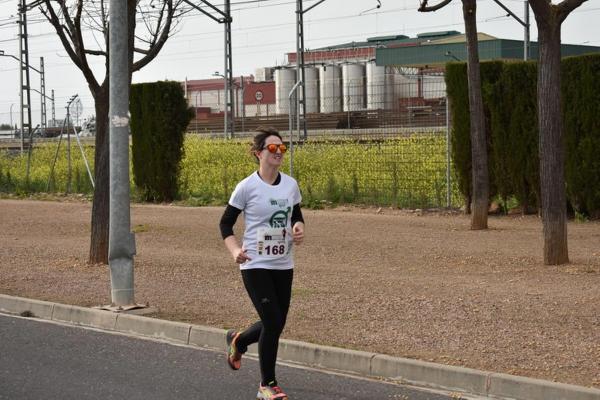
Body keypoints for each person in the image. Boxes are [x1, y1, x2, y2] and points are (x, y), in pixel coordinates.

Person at [219, 127, 305, 400]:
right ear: (259, 154)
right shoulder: (246, 187)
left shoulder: (290, 185)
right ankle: (267, 385)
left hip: (283, 262)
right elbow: (225, 224)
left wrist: (299, 227)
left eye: (282, 148)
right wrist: (234, 251)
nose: (279, 152)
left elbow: (296, 215)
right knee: (272, 320)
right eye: (272, 148)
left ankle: (239, 340)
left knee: (277, 322)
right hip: (255, 263)